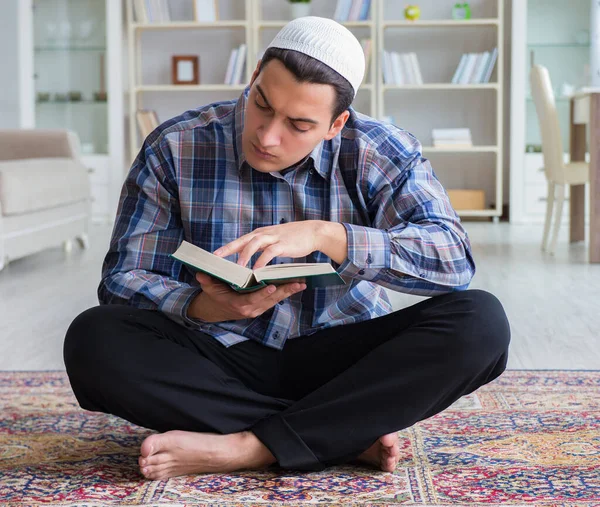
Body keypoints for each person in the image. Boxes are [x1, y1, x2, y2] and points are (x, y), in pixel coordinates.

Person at [64, 16, 510, 481]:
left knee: (481, 324)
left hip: (341, 358)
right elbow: (122, 278)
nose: (267, 135)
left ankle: (246, 447)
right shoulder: (176, 144)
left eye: (299, 124)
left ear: (336, 124)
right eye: (262, 104)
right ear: (255, 73)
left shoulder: (382, 150)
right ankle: (337, 430)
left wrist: (328, 236)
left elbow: (453, 259)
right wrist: (206, 306)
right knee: (92, 339)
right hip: (218, 353)